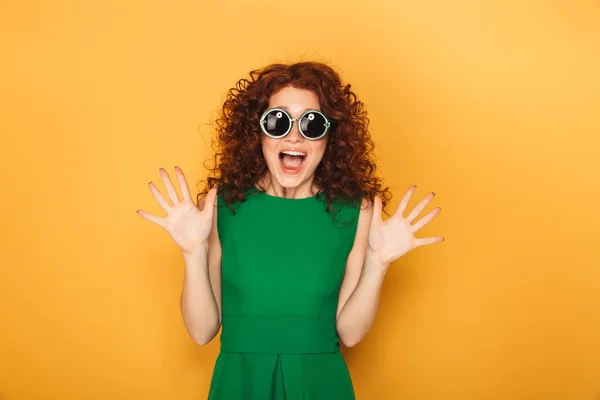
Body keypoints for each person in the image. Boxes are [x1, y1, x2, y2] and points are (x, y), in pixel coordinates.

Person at [136, 61, 444, 399]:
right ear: (258, 133)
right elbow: (201, 331)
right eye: (278, 121)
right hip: (239, 384)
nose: (294, 135)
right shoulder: (222, 206)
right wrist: (192, 252)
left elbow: (350, 334)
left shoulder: (358, 211)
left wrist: (378, 261)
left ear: (330, 136)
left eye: (312, 123)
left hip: (320, 385)